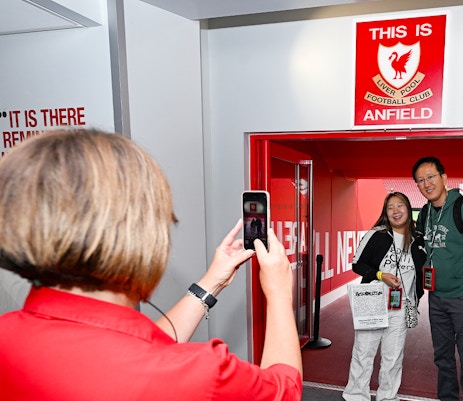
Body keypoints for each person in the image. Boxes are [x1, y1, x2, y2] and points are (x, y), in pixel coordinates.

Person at [0, 129, 302, 400]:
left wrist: (213, 282)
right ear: (141, 232)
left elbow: (136, 351)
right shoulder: (205, 374)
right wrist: (278, 294)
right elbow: (285, 389)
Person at [412, 156, 463, 401]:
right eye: (420, 180)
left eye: (430, 177)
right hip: (436, 297)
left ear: (444, 178)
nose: (426, 184)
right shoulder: (425, 212)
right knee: (443, 359)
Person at [343, 192, 426, 401]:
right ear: (385, 212)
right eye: (390, 207)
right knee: (363, 352)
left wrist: (416, 297)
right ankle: (355, 395)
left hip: (401, 304)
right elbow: (357, 264)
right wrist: (380, 275)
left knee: (394, 357)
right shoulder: (377, 234)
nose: (396, 211)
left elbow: (421, 271)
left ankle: (387, 397)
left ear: (408, 208)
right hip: (373, 301)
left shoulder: (418, 239)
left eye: (400, 206)